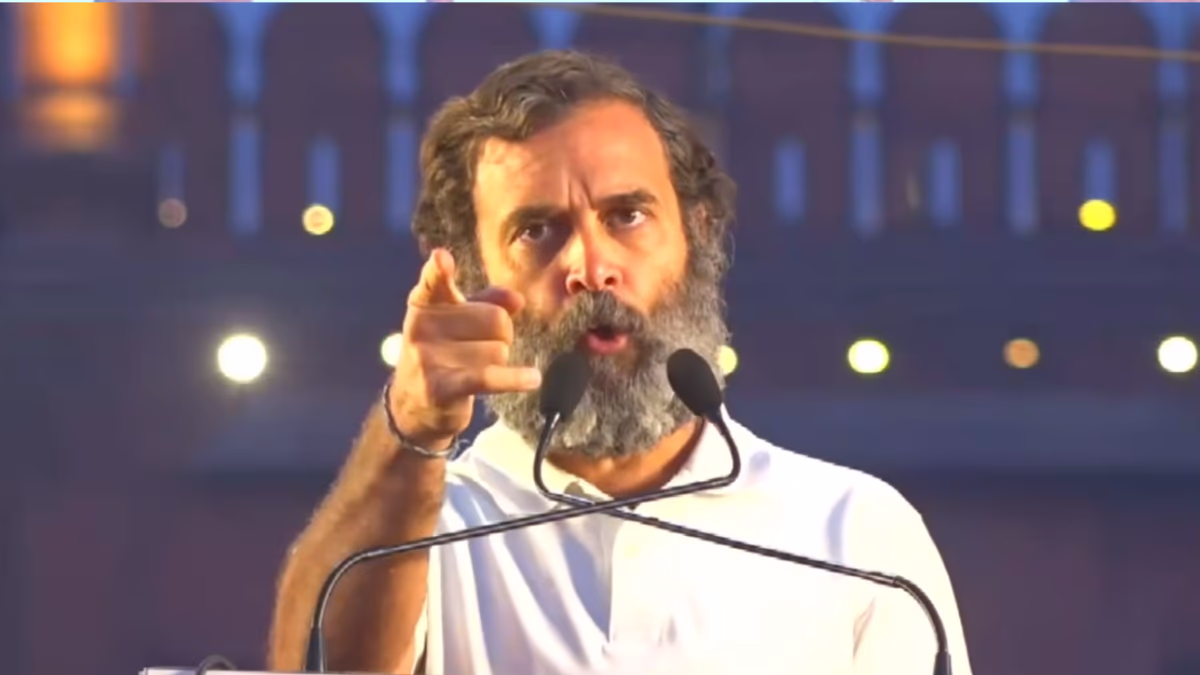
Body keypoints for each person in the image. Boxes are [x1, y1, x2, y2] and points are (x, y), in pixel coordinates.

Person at [267, 50, 973, 675]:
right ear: (469, 270)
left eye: (627, 216)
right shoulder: (421, 528)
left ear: (697, 233)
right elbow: (318, 667)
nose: (590, 266)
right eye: (536, 230)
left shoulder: (851, 530)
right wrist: (413, 423)